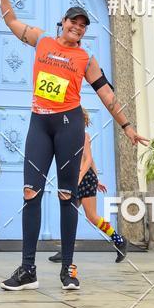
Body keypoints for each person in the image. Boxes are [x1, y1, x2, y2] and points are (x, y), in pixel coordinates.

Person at [0, 0, 149, 292]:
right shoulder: (42, 40)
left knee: (68, 196)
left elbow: (107, 94)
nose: (77, 28)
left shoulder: (86, 59)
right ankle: (27, 270)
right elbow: (11, 22)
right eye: (73, 22)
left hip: (69, 126)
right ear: (62, 23)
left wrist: (127, 126)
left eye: (82, 25)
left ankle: (68, 269)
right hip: (40, 123)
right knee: (30, 193)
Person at [48, 107, 128, 263]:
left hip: (82, 179)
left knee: (91, 216)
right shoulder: (69, 135)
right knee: (68, 214)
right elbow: (92, 161)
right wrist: (96, 179)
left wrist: (80, 177)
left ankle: (119, 240)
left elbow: (88, 158)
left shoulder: (83, 136)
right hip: (81, 177)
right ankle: (65, 251)